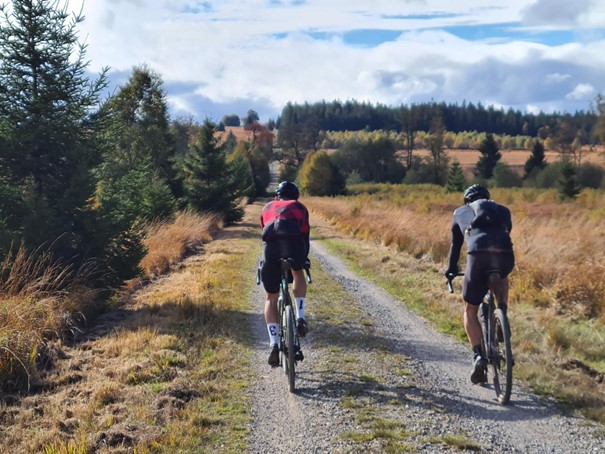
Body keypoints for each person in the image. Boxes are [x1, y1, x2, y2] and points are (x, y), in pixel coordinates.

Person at [445, 184, 515, 384]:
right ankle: (502, 313)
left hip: (477, 257)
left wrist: (451, 270)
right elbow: (506, 232)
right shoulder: (502, 211)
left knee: (469, 310)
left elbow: (456, 245)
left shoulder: (460, 212)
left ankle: (479, 357)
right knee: (501, 276)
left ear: (468, 201)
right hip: (505, 256)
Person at [260, 181, 310, 367]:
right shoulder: (299, 207)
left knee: (270, 297)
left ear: (277, 196)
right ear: (296, 196)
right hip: (295, 246)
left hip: (271, 250)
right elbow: (304, 235)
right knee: (298, 272)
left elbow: (264, 234)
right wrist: (303, 259)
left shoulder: (267, 207)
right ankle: (300, 316)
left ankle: (273, 344)